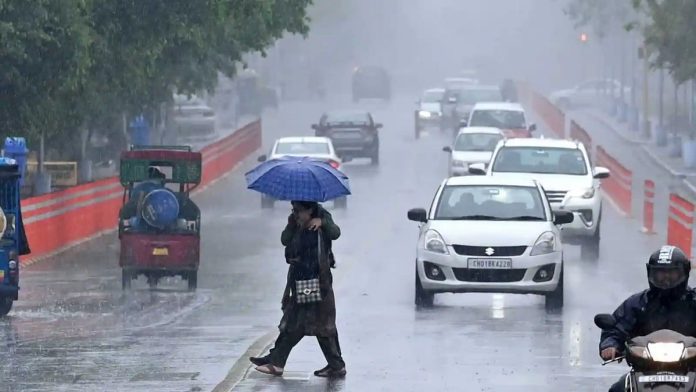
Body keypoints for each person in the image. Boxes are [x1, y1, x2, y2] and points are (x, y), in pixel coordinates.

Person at [249, 200, 346, 378]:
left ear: (309, 210)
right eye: (293, 210)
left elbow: (335, 233)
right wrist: (293, 223)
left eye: (299, 211)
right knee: (319, 325)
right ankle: (336, 365)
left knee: (299, 324)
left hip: (318, 282)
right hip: (301, 280)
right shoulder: (295, 221)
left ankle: (277, 361)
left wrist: (322, 222)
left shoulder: (322, 217)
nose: (295, 213)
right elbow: (285, 240)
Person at [599, 245, 696, 392]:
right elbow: (616, 328)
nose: (666, 278)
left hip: (691, 368)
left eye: (672, 273)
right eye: (661, 273)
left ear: (684, 272)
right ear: (650, 273)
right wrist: (610, 345)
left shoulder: (693, 302)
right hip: (644, 369)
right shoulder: (637, 303)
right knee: (618, 389)